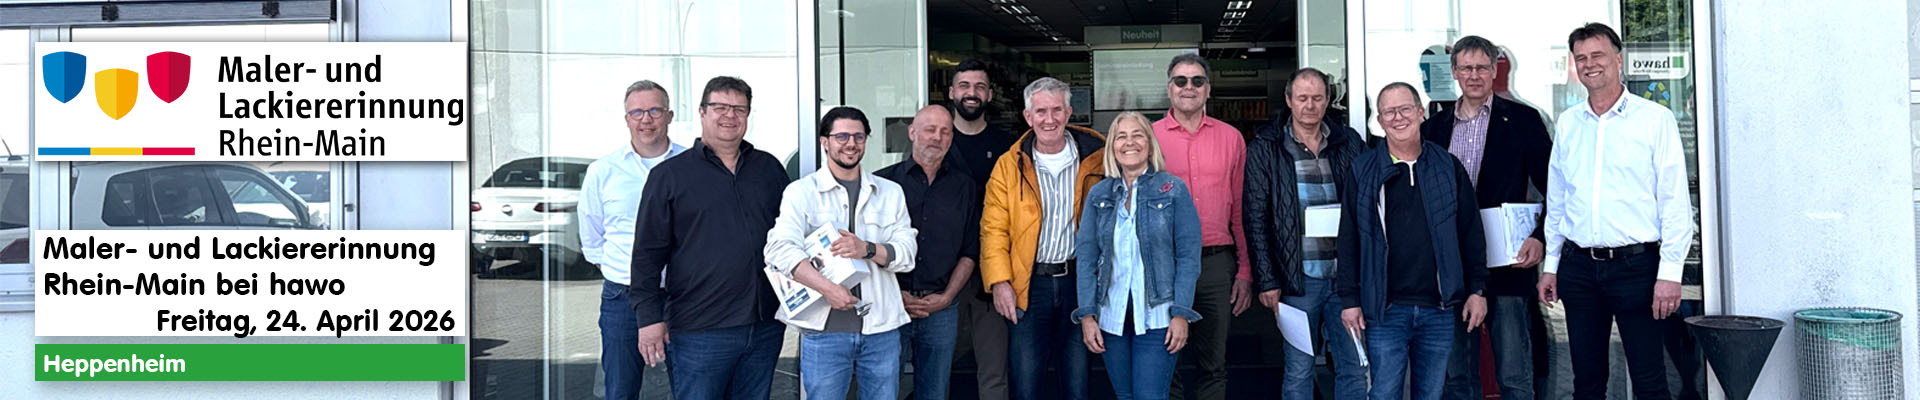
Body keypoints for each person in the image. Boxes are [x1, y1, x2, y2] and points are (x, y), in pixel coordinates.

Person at [1539, 22, 1696, 400]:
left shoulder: (1654, 120)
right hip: (1579, 269)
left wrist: (1670, 273)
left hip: (1637, 269)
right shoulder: (1569, 123)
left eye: (1597, 55)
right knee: (1587, 382)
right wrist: (1551, 264)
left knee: (1649, 379)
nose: (1589, 64)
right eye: (1581, 58)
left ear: (1618, 60)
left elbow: (1674, 201)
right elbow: (1558, 199)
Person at [630, 76, 791, 400]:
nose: (729, 115)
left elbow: (791, 237)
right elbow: (647, 254)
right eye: (720, 107)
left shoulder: (769, 169)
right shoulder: (670, 175)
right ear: (702, 113)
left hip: (764, 325)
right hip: (700, 329)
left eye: (739, 108)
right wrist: (648, 319)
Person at [1338, 82, 1489, 400]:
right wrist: (1350, 300)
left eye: (1405, 108)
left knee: (1431, 394)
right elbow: (1350, 239)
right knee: (1383, 394)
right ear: (1379, 121)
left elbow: (1470, 234)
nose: (1398, 117)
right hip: (1385, 310)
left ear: (1421, 112)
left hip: (1438, 308)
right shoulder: (1363, 170)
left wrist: (1477, 290)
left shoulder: (1448, 167)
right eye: (1389, 112)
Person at [1421, 36, 1552, 400]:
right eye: (1466, 68)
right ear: (1455, 73)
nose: (1474, 75)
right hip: (1452, 265)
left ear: (1495, 70)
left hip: (1508, 262)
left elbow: (1555, 188)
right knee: (1455, 374)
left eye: (1482, 67)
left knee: (1513, 372)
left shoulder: (1524, 121)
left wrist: (1540, 235)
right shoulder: (1433, 129)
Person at [765, 106, 920, 400]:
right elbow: (779, 250)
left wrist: (868, 249)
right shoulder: (801, 193)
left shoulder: (890, 192)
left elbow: (907, 253)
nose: (851, 143)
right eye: (842, 136)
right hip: (824, 331)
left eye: (859, 137)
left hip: (881, 330)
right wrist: (828, 289)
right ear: (825, 141)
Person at [1244, 67, 1369, 400]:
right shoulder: (1265, 148)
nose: (1310, 106)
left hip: (1346, 280)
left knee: (1353, 369)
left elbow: (1367, 207)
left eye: (1317, 98)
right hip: (1297, 280)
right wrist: (1267, 279)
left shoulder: (1349, 142)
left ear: (1328, 100)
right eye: (1302, 98)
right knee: (1299, 370)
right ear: (1289, 100)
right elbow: (1255, 217)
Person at [980, 77, 1105, 400]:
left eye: (1056, 110)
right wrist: (1000, 282)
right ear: (1027, 116)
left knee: (1078, 381)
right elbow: (993, 229)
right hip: (1027, 285)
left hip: (1079, 281)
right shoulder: (1009, 165)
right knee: (1026, 382)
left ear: (1068, 112)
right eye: (1041, 112)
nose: (1049, 120)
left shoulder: (1098, 158)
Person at [1073, 111, 1203, 400]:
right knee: (1125, 396)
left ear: (1149, 143)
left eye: (1137, 134)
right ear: (1112, 147)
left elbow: (1188, 257)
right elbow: (1086, 259)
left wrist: (1181, 312)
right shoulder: (1099, 194)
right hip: (1111, 317)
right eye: (1121, 136)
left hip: (1158, 317)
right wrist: (1087, 315)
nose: (1129, 142)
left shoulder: (1172, 189)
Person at [579, 80, 688, 400]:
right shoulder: (603, 171)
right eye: (637, 112)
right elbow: (592, 236)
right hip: (622, 297)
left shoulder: (693, 165)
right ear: (626, 118)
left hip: (684, 295)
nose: (646, 119)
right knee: (621, 388)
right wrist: (623, 271)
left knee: (691, 387)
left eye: (654, 110)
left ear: (669, 115)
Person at [1151, 54, 1250, 400]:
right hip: (1164, 265)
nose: (1188, 87)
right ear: (1169, 89)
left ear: (1208, 89)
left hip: (1215, 265)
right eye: (1180, 81)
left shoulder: (1232, 138)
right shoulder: (1148, 139)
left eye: (1197, 81)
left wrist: (1245, 271)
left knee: (1213, 363)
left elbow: (1240, 209)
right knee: (1166, 360)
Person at [876, 104, 980, 400]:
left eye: (945, 131)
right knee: (883, 391)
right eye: (930, 129)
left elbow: (970, 250)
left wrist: (947, 297)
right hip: (890, 305)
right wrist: (897, 294)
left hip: (942, 309)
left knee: (934, 392)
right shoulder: (882, 183)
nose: (937, 137)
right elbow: (868, 248)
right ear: (912, 132)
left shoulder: (964, 187)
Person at [945, 59, 1018, 400]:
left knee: (994, 367)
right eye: (964, 86)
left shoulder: (1009, 146)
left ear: (989, 94)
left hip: (994, 270)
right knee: (937, 363)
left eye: (978, 87)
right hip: (944, 270)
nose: (970, 93)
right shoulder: (938, 144)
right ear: (951, 92)